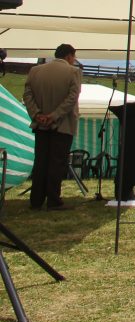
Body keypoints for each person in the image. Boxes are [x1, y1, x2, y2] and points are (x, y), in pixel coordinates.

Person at [22, 43, 81, 211]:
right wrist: (54, 116)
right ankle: (54, 200)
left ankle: (36, 200)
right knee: (57, 162)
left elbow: (27, 95)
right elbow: (72, 98)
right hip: (63, 125)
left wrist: (37, 115)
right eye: (74, 57)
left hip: (40, 125)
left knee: (40, 161)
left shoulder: (35, 71)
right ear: (69, 56)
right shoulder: (74, 72)